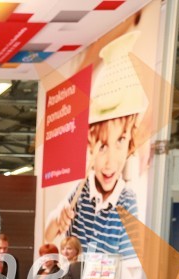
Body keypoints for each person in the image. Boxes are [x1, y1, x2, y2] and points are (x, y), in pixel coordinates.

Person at [43, 33, 147, 260]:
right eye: (102, 147)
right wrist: (58, 217)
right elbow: (49, 233)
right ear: (90, 146)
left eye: (119, 142)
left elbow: (132, 262)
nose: (110, 161)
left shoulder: (127, 200)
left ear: (130, 141)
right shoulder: (82, 192)